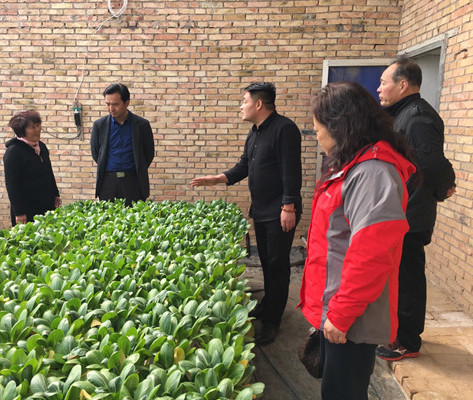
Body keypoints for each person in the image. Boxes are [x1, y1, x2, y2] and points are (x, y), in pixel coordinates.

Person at [298, 82, 416, 399]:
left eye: (317, 130)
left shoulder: (372, 173)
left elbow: (371, 255)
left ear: (340, 127)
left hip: (351, 316)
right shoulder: (351, 164)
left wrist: (341, 315)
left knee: (343, 392)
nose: (317, 137)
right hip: (339, 306)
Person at [191, 82, 302, 345]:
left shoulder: (284, 129)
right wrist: (219, 178)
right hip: (261, 210)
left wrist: (288, 207)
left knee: (277, 266)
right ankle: (268, 305)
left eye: (244, 101)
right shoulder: (255, 133)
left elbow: (291, 171)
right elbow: (244, 166)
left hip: (279, 211)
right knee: (266, 262)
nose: (241, 106)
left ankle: (273, 321)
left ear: (258, 104)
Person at [375, 56, 456, 361]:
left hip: (410, 215)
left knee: (408, 277)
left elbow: (431, 163)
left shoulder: (418, 117)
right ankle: (398, 331)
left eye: (383, 82)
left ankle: (408, 341)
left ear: (403, 85)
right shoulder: (402, 114)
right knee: (398, 276)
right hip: (400, 211)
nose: (379, 88)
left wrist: (444, 187)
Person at [91, 83, 155, 206]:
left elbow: (149, 153)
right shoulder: (99, 125)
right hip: (108, 182)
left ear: (126, 103)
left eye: (115, 104)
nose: (111, 108)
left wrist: (137, 168)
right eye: (107, 104)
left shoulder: (142, 125)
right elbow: (96, 153)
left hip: (134, 182)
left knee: (135, 216)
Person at [3, 110, 61, 227]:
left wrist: (55, 193)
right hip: (27, 209)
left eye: (38, 125)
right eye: (32, 127)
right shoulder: (13, 153)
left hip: (46, 204)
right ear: (22, 131)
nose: (38, 129)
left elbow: (49, 172)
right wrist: (19, 212)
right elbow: (12, 185)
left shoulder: (42, 147)